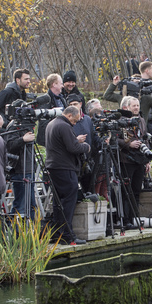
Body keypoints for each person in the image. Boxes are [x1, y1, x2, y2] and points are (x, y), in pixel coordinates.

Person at [45, 105, 90, 244]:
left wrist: (75, 139)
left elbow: (63, 144)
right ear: (69, 115)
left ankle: (58, 233)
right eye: (75, 121)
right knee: (68, 202)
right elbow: (72, 148)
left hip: (54, 167)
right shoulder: (64, 126)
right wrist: (86, 147)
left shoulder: (52, 124)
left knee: (58, 202)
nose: (75, 123)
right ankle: (67, 236)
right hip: (65, 168)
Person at [117, 96, 151, 228]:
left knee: (137, 190)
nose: (136, 108)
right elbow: (115, 139)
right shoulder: (120, 121)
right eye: (134, 106)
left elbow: (145, 139)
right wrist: (128, 144)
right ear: (127, 107)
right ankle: (125, 219)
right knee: (127, 190)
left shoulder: (141, 120)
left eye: (138, 105)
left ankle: (134, 217)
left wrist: (147, 160)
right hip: (126, 159)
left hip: (140, 159)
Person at [35, 73, 68, 146]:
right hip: (49, 139)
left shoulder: (62, 99)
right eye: (61, 83)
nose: (62, 86)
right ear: (54, 84)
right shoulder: (44, 100)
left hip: (61, 137)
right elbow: (43, 121)